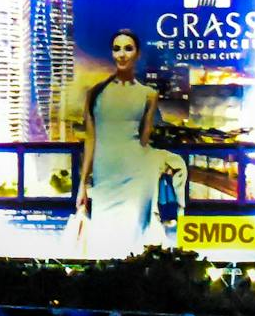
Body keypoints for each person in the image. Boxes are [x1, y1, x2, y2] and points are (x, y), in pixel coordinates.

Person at [73, 29, 177, 258]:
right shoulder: (96, 93)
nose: (122, 54)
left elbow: (144, 138)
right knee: (103, 240)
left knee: (133, 241)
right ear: (112, 53)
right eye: (117, 48)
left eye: (128, 48)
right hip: (105, 173)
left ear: (137, 54)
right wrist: (83, 182)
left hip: (136, 174)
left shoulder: (148, 95)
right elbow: (90, 139)